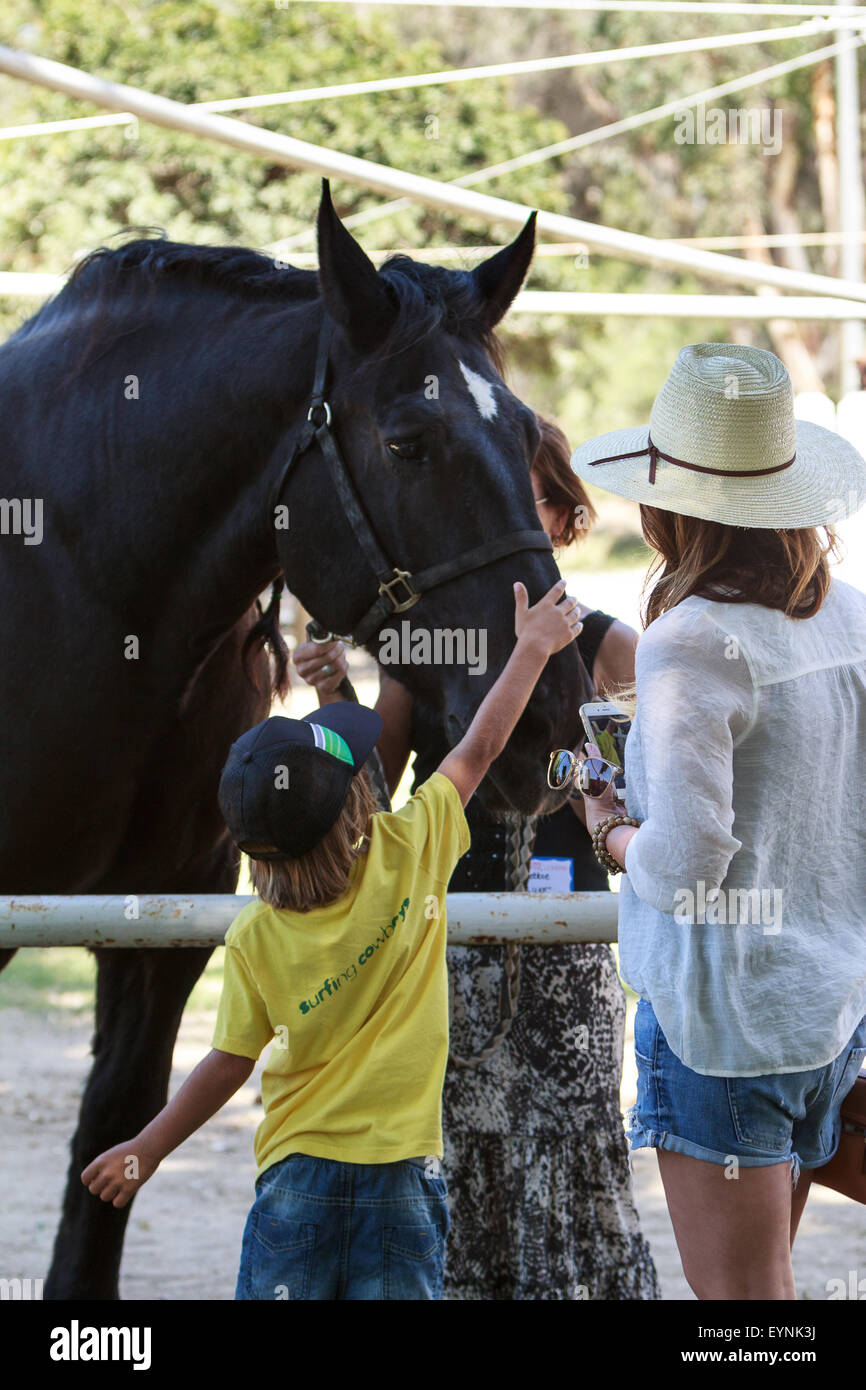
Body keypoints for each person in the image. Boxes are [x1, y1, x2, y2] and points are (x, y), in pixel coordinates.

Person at [79, 577, 582, 1301]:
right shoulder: (411, 849)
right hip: (402, 1180)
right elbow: (481, 748)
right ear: (358, 805)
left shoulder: (255, 932)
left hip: (295, 1181)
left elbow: (226, 1064)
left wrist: (146, 1149)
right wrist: (533, 647)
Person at [295, 416, 660, 1301]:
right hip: (444, 959)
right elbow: (369, 813)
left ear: (567, 522)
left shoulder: (614, 647)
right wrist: (333, 690)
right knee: (456, 1161)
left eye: (520, 499)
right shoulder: (422, 655)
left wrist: (602, 792)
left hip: (569, 960)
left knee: (576, 1158)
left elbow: (672, 808)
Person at [567, 341, 866, 1301]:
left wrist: (611, 829)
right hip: (832, 1008)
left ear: (666, 501)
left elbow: (689, 864)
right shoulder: (850, 616)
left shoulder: (690, 638)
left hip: (722, 1028)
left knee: (745, 1324)